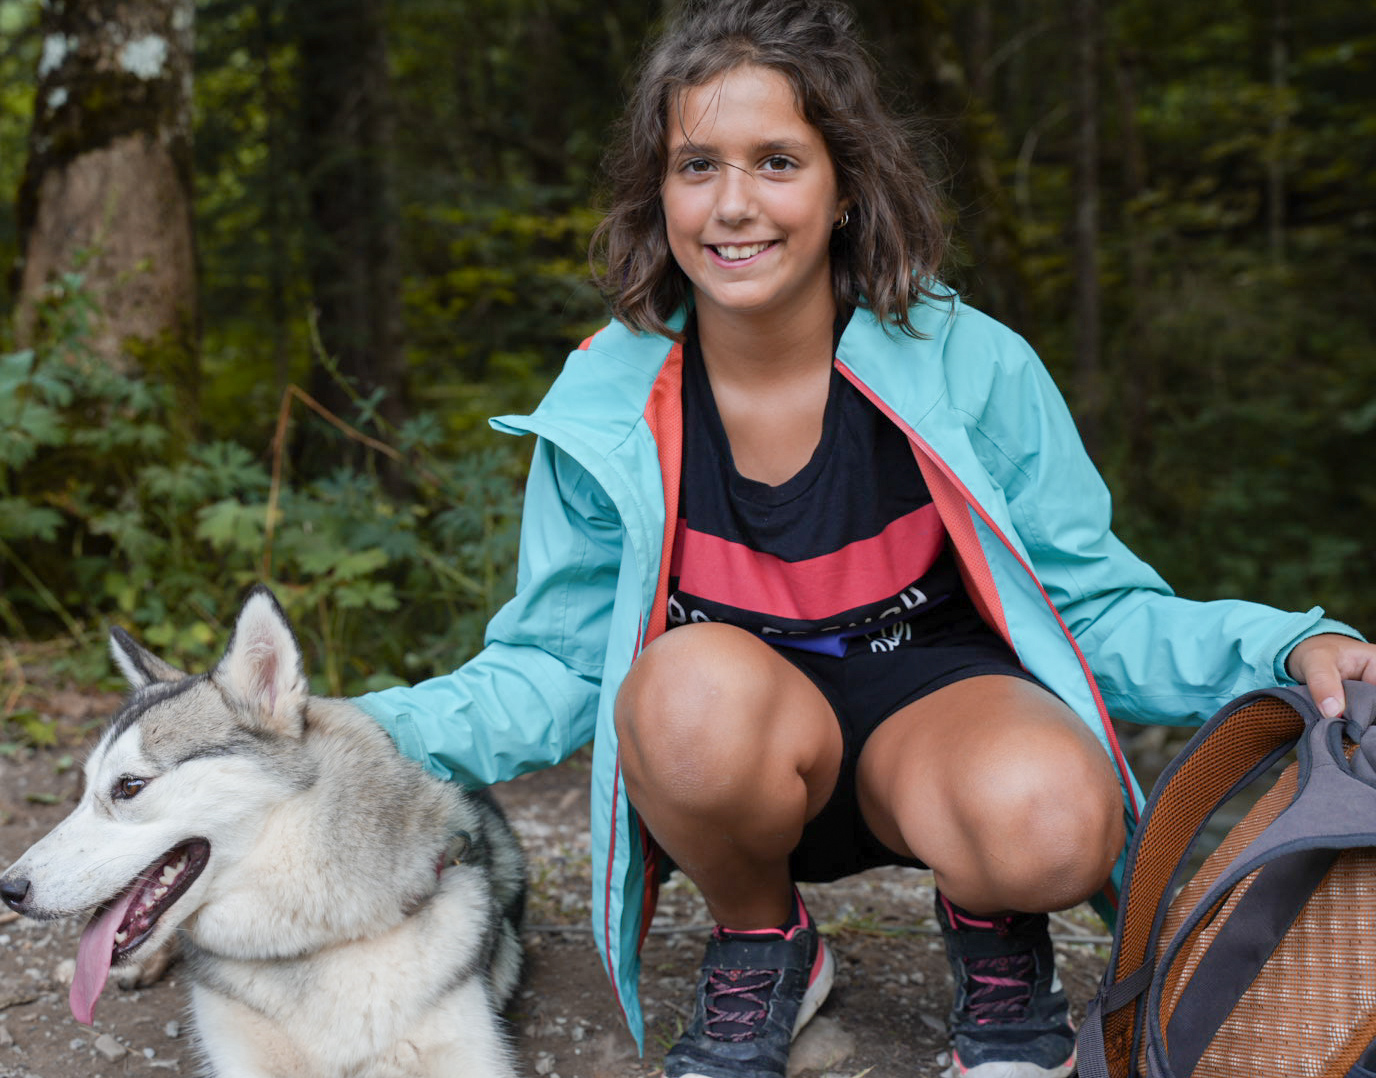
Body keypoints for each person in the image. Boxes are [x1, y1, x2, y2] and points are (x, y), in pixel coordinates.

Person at [356, 2, 1376, 1076]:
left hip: (935, 719)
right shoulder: (608, 399)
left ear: (844, 187)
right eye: (696, 164)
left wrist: (1284, 646)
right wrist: (346, 730)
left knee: (1049, 815)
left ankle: (992, 933)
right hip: (736, 753)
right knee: (684, 689)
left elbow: (1093, 612)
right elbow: (555, 664)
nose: (733, 203)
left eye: (777, 161)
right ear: (657, 192)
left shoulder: (968, 365)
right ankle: (764, 941)